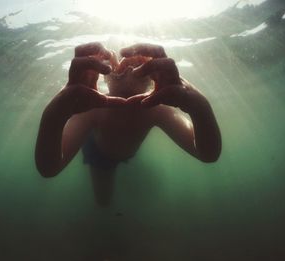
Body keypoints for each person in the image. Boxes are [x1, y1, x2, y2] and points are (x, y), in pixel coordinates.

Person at [35, 42, 221, 205]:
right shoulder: (93, 111)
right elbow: (49, 169)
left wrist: (197, 103)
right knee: (103, 201)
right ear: (104, 76)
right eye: (120, 67)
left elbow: (207, 154)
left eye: (137, 64)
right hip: (100, 156)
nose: (127, 68)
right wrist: (56, 113)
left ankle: (130, 169)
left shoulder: (157, 110)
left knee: (112, 192)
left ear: (152, 78)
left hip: (122, 151)